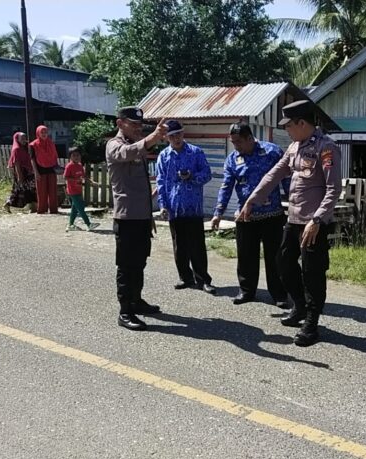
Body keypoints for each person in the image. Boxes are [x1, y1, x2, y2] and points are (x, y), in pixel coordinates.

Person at [238, 100, 341, 347]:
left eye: (289, 125)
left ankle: (311, 323)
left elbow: (333, 188)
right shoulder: (295, 147)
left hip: (313, 223)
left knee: (312, 273)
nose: (287, 130)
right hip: (294, 219)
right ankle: (300, 307)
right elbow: (274, 174)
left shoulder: (326, 147)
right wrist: (252, 200)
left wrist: (317, 219)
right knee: (283, 263)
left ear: (301, 123)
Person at [211, 121, 289, 308]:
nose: (235, 146)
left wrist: (294, 204)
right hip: (245, 217)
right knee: (246, 257)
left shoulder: (272, 152)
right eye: (233, 142)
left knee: (275, 258)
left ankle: (279, 294)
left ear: (250, 138)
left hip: (272, 215)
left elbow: (286, 179)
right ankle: (246, 291)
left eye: (238, 142)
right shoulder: (232, 159)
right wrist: (218, 212)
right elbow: (226, 186)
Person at [106, 106, 168, 331]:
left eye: (140, 125)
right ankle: (125, 311)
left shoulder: (137, 144)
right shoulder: (114, 145)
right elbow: (127, 152)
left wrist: (148, 215)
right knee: (126, 265)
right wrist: (152, 138)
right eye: (133, 124)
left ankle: (136, 300)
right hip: (126, 218)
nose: (137, 128)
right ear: (120, 123)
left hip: (141, 216)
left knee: (140, 262)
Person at [156, 119, 216, 295]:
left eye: (179, 134)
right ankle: (185, 277)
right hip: (174, 208)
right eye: (172, 136)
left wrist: (191, 176)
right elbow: (160, 182)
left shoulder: (196, 152)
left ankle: (203, 279)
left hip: (193, 207)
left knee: (197, 245)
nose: (176, 138)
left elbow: (207, 174)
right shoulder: (164, 156)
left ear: (183, 133)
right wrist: (162, 205)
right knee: (179, 245)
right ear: (167, 138)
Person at [63, 147, 100, 232]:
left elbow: (84, 176)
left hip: (78, 190)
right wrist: (75, 179)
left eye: (78, 155)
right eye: (74, 155)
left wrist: (92, 182)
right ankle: (89, 224)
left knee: (75, 208)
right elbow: (65, 177)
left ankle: (70, 225)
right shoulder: (69, 166)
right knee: (80, 208)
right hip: (72, 191)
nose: (76, 157)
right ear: (70, 157)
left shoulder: (80, 165)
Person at [29, 125, 60, 214]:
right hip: (40, 170)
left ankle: (53, 210)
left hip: (51, 169)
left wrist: (57, 168)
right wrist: (36, 172)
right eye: (42, 132)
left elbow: (55, 156)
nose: (44, 134)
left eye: (45, 132)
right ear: (38, 133)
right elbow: (32, 159)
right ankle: (42, 210)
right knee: (41, 191)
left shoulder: (51, 143)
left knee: (53, 190)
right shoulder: (33, 145)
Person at [4, 131, 36, 213]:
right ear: (17, 139)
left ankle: (33, 207)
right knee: (19, 190)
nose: (24, 140)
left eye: (25, 138)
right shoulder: (16, 149)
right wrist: (19, 176)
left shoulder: (25, 148)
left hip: (28, 172)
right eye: (22, 138)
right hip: (21, 172)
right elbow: (17, 163)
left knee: (31, 189)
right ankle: (8, 203)